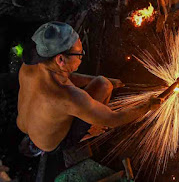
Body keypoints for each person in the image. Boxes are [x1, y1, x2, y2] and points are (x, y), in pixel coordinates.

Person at [17, 21, 161, 154]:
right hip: (51, 145)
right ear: (60, 59)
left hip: (26, 126)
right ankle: (92, 127)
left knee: (104, 82)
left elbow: (65, 76)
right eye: (79, 54)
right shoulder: (68, 97)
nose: (81, 57)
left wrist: (110, 81)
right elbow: (114, 119)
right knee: (104, 86)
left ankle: (35, 139)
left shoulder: (29, 68)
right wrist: (148, 105)